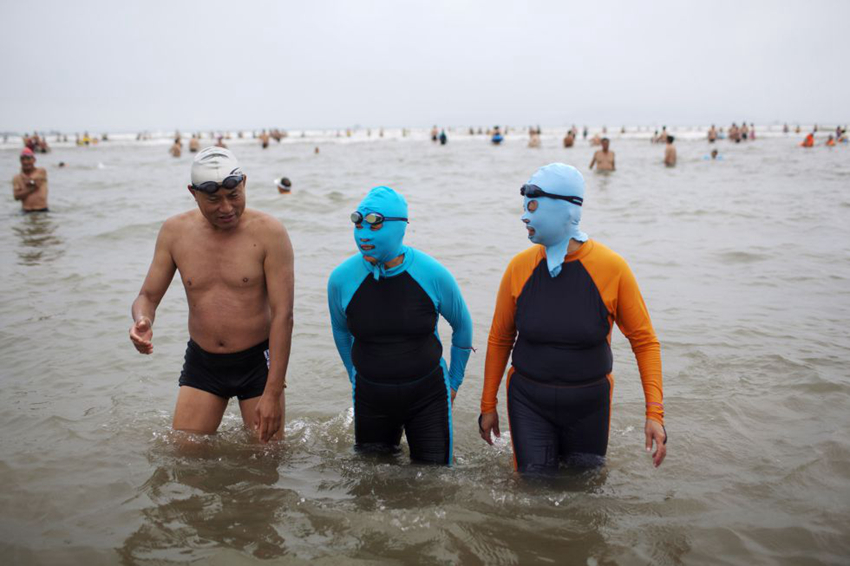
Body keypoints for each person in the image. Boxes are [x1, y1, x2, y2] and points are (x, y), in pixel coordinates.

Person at [478, 163, 666, 475]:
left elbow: (644, 342)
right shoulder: (518, 268)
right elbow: (500, 338)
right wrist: (487, 406)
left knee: (586, 495)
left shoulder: (611, 268)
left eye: (533, 205)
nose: (524, 216)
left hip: (589, 405)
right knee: (534, 492)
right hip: (528, 401)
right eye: (524, 206)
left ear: (564, 209)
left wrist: (654, 414)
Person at [129, 147, 294, 443]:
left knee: (267, 461)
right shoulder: (175, 232)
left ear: (243, 182)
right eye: (213, 200)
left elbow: (284, 316)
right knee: (183, 456)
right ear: (193, 193)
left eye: (234, 196)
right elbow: (147, 297)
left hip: (258, 362)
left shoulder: (270, 233)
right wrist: (143, 321)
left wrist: (273, 390)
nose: (226, 208)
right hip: (203, 363)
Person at [327, 186, 473, 465]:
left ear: (398, 227)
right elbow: (340, 331)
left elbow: (463, 327)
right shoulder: (341, 279)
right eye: (358, 222)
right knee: (371, 486)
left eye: (374, 223)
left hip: (428, 396)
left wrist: (454, 382)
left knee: (434, 482)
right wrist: (353, 374)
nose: (363, 233)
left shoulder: (432, 274)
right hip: (371, 396)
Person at [12, 148, 49, 212]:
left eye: (28, 159)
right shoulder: (17, 177)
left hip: (42, 210)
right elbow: (16, 196)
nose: (25, 162)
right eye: (23, 159)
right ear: (20, 161)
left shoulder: (41, 171)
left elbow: (29, 181)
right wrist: (32, 188)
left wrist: (30, 184)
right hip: (26, 211)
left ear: (34, 160)